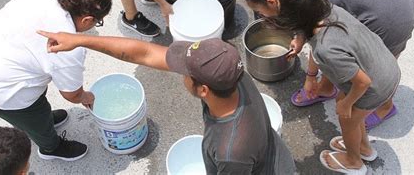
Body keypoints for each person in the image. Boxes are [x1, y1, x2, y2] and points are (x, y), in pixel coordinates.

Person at [36, 32, 296, 174]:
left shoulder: (231, 151)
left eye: (185, 72)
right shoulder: (231, 74)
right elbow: (146, 53)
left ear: (203, 89)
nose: (179, 73)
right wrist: (81, 40)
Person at [243, 0, 414, 129]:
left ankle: (385, 108)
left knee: (376, 69)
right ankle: (325, 89)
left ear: (271, 2)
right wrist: (300, 38)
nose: (262, 15)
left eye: (259, 11)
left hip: (392, 17)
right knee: (337, 51)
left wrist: (311, 77)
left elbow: (323, 38)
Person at [268, 0, 400, 174]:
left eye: (279, 3)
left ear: (293, 17)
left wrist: (347, 105)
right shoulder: (329, 10)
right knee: (343, 100)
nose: (275, 3)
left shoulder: (325, 49)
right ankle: (363, 148)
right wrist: (301, 40)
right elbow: (314, 33)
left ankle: (353, 162)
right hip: (384, 64)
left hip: (376, 86)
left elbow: (363, 82)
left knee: (346, 118)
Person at [0, 0, 112, 161]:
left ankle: (44, 120)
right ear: (87, 20)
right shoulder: (69, 47)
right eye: (98, 21)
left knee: (40, 109)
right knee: (34, 117)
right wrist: (86, 97)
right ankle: (51, 148)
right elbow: (71, 94)